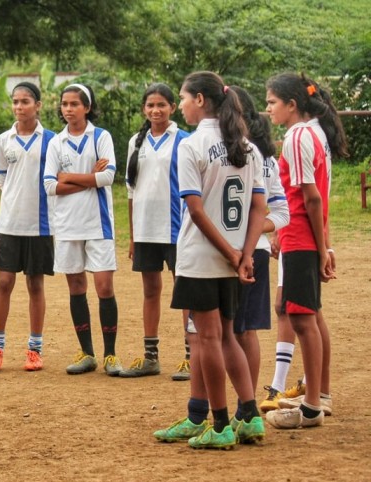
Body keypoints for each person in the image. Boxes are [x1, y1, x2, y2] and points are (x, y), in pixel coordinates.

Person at [152, 71, 266, 449]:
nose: (181, 105)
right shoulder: (246, 146)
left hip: (203, 256)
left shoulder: (192, 144)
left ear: (201, 100)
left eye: (183, 98)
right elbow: (259, 205)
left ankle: (219, 425)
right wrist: (244, 253)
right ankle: (249, 417)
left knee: (208, 338)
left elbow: (196, 211)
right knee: (228, 335)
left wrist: (232, 253)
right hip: (232, 255)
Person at [263, 73, 347, 429]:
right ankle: (320, 394)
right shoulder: (315, 133)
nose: (268, 110)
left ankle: (311, 407)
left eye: (272, 103)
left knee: (300, 317)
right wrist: (323, 243)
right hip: (306, 236)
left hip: (300, 236)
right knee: (312, 315)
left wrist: (317, 245)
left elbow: (311, 198)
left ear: (292, 104)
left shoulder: (297, 136)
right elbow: (317, 198)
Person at [44, 83, 121, 376]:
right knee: (76, 287)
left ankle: (110, 355)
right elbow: (50, 186)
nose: (68, 109)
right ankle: (87, 353)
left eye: (75, 104)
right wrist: (90, 176)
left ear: (87, 107)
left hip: (97, 223)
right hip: (66, 224)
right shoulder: (56, 143)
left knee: (104, 287)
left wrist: (72, 178)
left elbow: (108, 177)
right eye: (64, 104)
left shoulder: (100, 137)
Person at [119, 83, 192, 380]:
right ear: (143, 109)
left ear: (173, 108)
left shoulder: (185, 141)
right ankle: (151, 357)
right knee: (150, 291)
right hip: (147, 229)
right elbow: (131, 191)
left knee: (185, 292)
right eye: (150, 105)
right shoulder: (137, 142)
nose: (155, 110)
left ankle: (193, 356)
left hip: (177, 229)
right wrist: (134, 235)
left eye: (162, 104)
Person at [0, 82, 55, 372]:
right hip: (10, 222)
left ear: (38, 105)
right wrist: (13, 201)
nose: (19, 106)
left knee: (35, 283)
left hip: (40, 224)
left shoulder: (51, 140)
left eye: (25, 101)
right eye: (15, 101)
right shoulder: (5, 140)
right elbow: (3, 179)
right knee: (4, 282)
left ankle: (34, 349)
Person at [229, 85, 290, 403]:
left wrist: (248, 237)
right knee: (234, 332)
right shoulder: (233, 151)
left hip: (244, 254)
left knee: (239, 331)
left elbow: (281, 213)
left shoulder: (258, 157)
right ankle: (241, 406)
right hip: (236, 251)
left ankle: (245, 406)